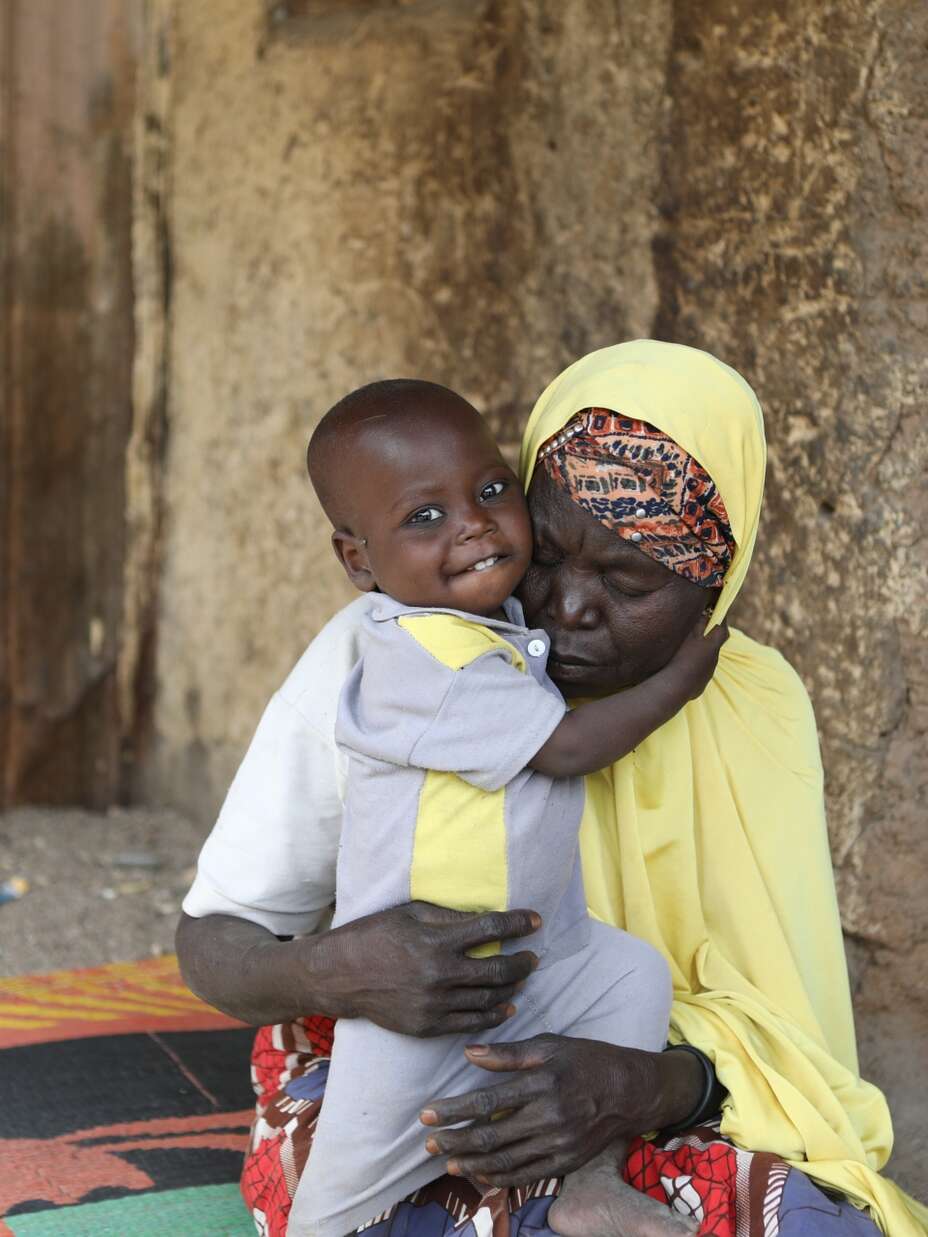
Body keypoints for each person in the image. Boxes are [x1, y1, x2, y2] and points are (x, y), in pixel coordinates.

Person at [178, 341, 928, 1237]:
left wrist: (638, 1084)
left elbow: (790, 1038)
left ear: (711, 596)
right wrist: (336, 968)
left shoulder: (751, 708)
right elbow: (211, 946)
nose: (566, 609)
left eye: (627, 581)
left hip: (644, 1094)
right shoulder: (383, 660)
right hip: (409, 1068)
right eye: (551, 552)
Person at [291, 379, 724, 1237]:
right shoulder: (418, 658)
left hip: (539, 958)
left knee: (631, 974)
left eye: (492, 491)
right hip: (428, 981)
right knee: (339, 1197)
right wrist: (682, 678)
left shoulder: (496, 623)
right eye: (425, 517)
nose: (476, 525)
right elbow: (564, 747)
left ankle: (589, 1181)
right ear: (357, 560)